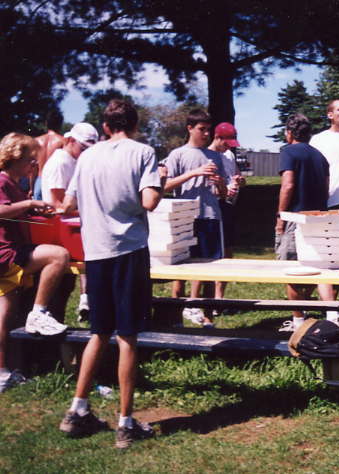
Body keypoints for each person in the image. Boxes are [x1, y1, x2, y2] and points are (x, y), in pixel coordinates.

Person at [57, 98, 164, 447]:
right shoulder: (143, 152)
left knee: (98, 332)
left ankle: (77, 410)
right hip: (129, 251)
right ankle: (125, 423)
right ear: (135, 124)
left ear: (105, 127)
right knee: (128, 336)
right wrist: (160, 182)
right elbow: (149, 202)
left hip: (96, 253)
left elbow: (68, 204)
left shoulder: (86, 157)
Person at [0, 133, 71, 392]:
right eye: (30, 159)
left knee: (7, 314)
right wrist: (29, 202)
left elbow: (15, 211)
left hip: (12, 250)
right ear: (15, 157)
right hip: (6, 253)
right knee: (58, 255)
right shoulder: (2, 180)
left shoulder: (15, 183)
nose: (33, 165)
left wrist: (32, 209)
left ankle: (4, 372)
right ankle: (38, 313)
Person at [162, 109, 227, 327]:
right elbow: (165, 186)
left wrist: (220, 183)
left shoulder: (215, 156)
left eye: (208, 130)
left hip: (210, 217)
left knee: (210, 269)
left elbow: (223, 194)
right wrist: (194, 173)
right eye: (202, 129)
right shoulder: (178, 154)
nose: (206, 134)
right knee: (180, 269)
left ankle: (207, 318)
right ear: (190, 128)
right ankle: (175, 318)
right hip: (185, 218)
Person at [275, 114, 335, 332]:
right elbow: (326, 188)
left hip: (296, 218)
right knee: (319, 269)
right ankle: (332, 315)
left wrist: (280, 216)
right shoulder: (320, 156)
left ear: (289, 133)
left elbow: (288, 185)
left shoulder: (288, 152)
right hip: (320, 218)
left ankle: (298, 321)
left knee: (290, 270)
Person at [41, 122, 100, 321]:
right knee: (59, 288)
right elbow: (57, 204)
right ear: (70, 140)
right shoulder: (61, 162)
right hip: (60, 231)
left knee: (66, 286)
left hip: (69, 228)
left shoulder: (72, 160)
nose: (85, 153)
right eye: (83, 148)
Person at [207, 122, 246, 306]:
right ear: (217, 137)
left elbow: (238, 176)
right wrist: (223, 189)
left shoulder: (229, 155)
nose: (228, 147)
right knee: (213, 254)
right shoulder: (207, 155)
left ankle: (219, 297)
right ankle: (205, 299)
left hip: (229, 206)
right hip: (214, 206)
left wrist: (240, 181)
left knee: (228, 251)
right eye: (226, 143)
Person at [32, 110, 66, 199]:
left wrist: (31, 187)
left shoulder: (36, 141)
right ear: (60, 124)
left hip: (39, 181)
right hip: (54, 182)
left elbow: (33, 167)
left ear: (46, 123)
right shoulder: (63, 141)